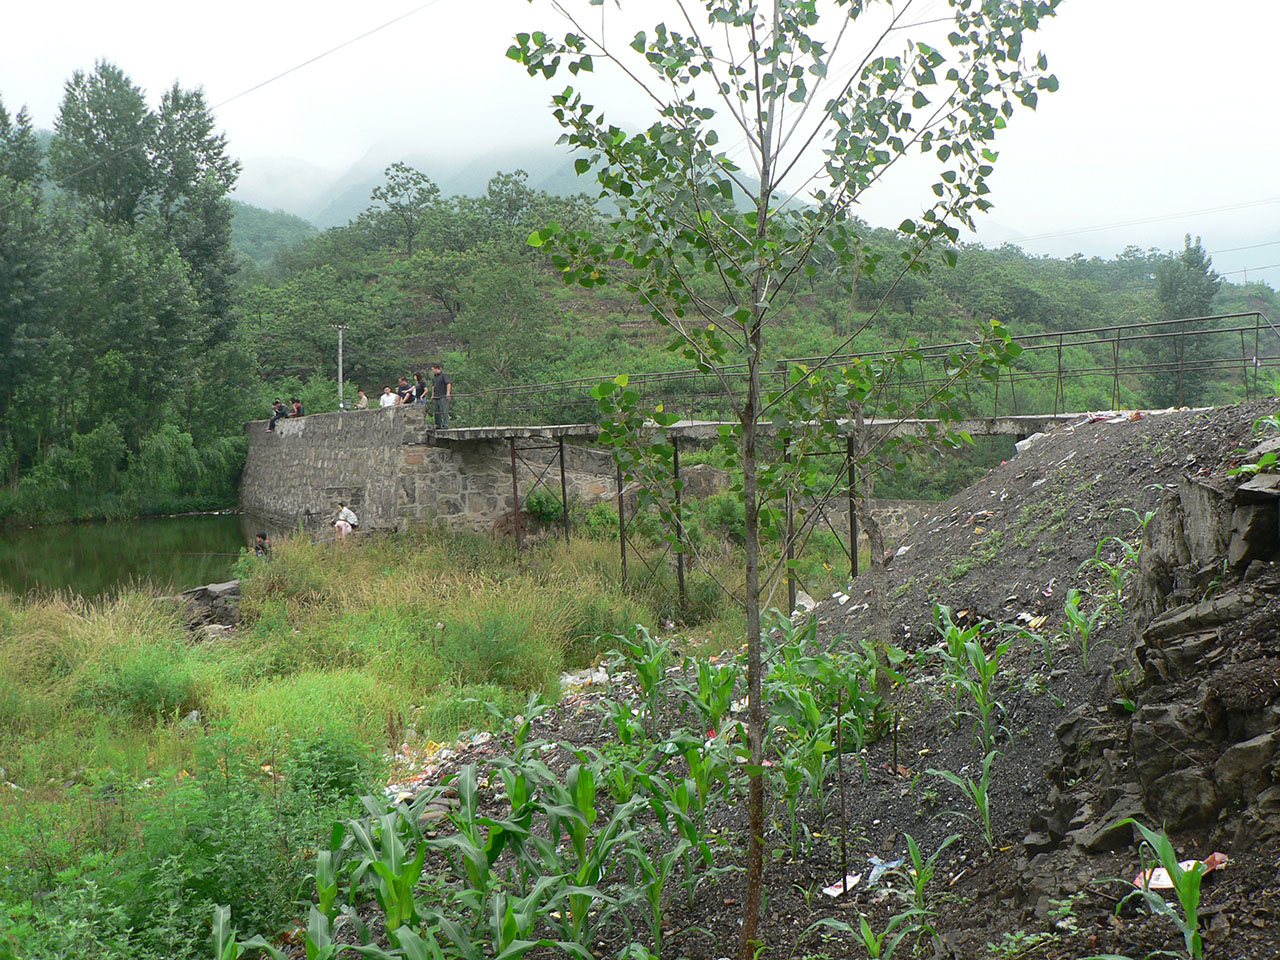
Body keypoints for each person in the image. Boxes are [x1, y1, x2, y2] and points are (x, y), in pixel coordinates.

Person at [431, 362, 451, 429]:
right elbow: (433, 386)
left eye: (433, 369)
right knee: (437, 412)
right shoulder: (434, 377)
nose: (432, 371)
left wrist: (448, 393)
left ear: (436, 368)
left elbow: (448, 383)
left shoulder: (444, 375)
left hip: (443, 396)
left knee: (444, 410)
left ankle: (446, 424)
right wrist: (432, 394)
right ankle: (438, 425)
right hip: (436, 396)